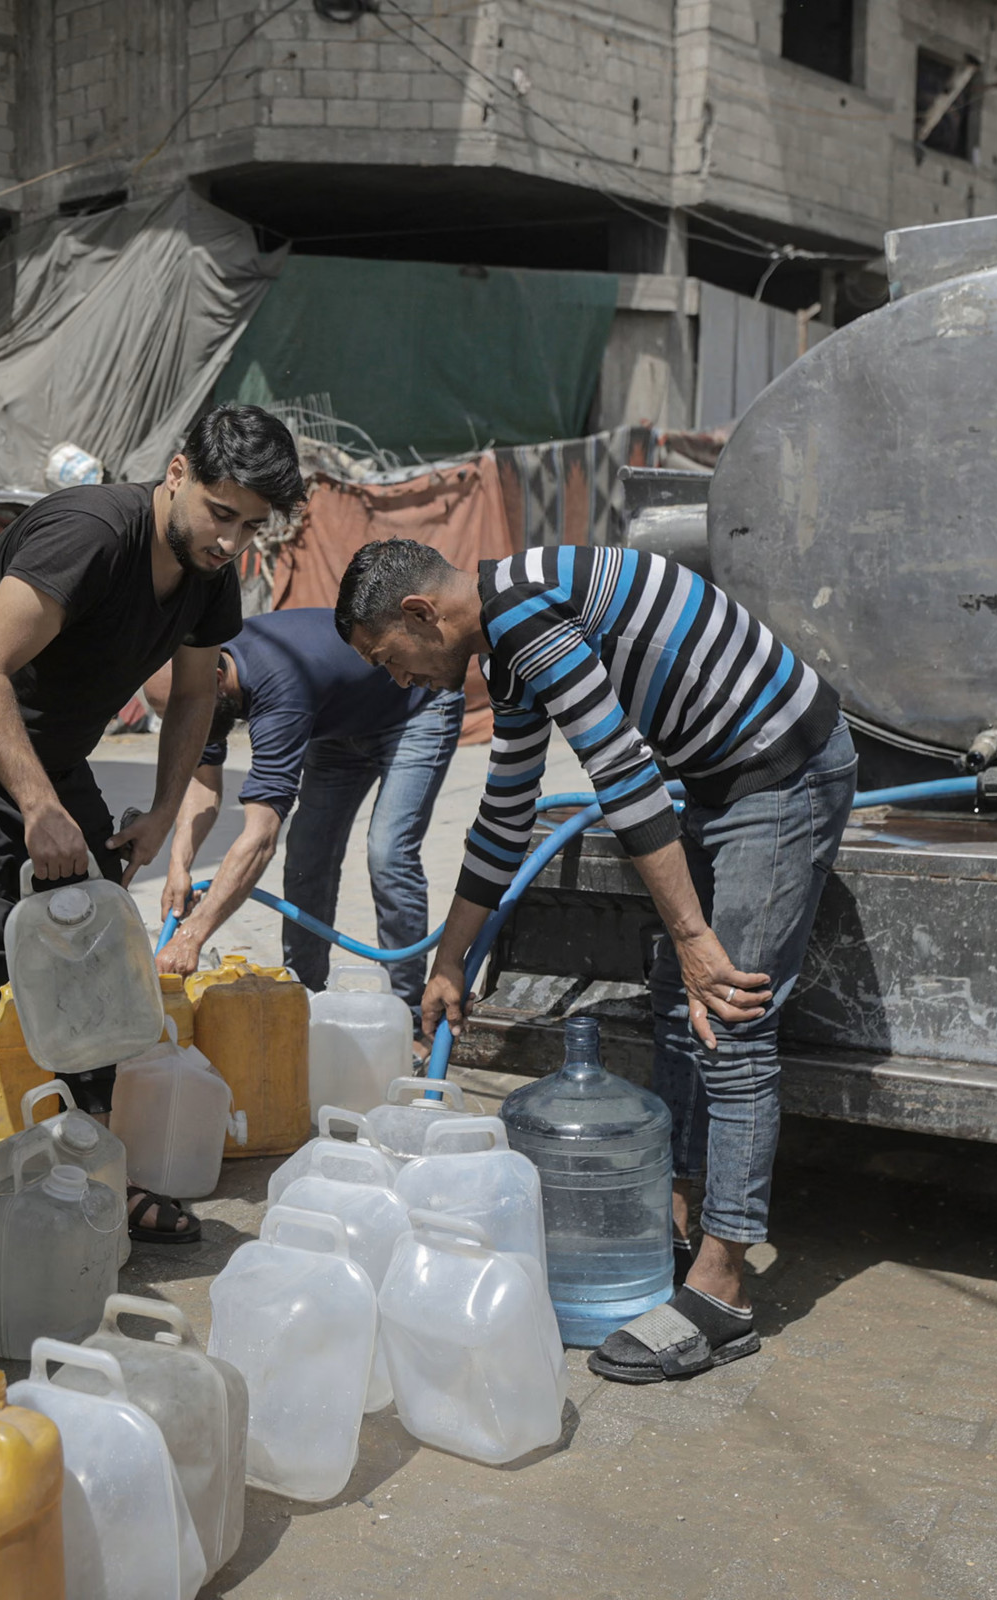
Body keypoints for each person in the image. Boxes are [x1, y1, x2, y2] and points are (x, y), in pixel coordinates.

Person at [334, 539, 857, 1383]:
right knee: (670, 1001)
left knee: (729, 1008)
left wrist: (694, 938)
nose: (397, 679)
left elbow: (619, 770)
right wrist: (449, 960)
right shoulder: (506, 643)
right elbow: (506, 813)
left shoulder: (521, 609)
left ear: (421, 614)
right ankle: (683, 1220)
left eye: (388, 658)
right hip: (722, 779)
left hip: (782, 771)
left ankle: (723, 1294)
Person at [0, 402, 306, 1245]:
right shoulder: (90, 534)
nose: (230, 541)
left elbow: (194, 693)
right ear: (179, 473)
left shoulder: (208, 570)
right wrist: (39, 810)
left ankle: (96, 1177)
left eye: (251, 526)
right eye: (222, 514)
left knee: (94, 963)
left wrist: (161, 811)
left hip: (48, 754)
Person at [143, 605, 466, 1015]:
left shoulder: (276, 684)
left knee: (388, 853)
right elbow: (205, 783)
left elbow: (260, 837)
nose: (180, 727)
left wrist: (192, 936)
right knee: (307, 856)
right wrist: (178, 863)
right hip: (337, 724)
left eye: (182, 715)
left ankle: (411, 1014)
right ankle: (302, 1000)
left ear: (218, 678)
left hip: (417, 707)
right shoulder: (201, 689)